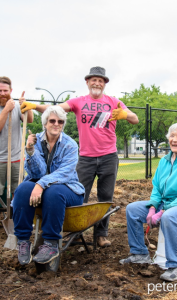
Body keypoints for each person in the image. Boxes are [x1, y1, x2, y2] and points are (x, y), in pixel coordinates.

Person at [21, 66, 139, 247]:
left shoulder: (114, 101)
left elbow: (135, 119)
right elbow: (55, 110)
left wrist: (125, 114)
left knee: (105, 196)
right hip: (85, 158)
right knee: (78, 194)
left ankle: (101, 235)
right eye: (94, 80)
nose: (97, 83)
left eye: (101, 80)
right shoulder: (78, 102)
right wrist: (35, 106)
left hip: (109, 156)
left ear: (105, 83)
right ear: (88, 82)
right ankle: (76, 230)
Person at [120, 122, 177, 282]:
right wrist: (153, 207)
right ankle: (139, 253)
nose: (174, 139)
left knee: (169, 217)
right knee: (132, 209)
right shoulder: (164, 161)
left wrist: (163, 212)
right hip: (166, 205)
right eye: (172, 136)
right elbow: (157, 188)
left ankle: (175, 266)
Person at [12, 106, 85, 265]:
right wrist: (30, 150)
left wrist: (40, 185)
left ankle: (51, 243)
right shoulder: (35, 140)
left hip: (69, 190)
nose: (56, 124)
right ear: (45, 123)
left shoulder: (70, 145)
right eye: (52, 121)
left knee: (54, 191)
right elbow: (37, 172)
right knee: (23, 189)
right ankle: (23, 241)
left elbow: (65, 174)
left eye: (60, 121)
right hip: (43, 188)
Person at [0, 76, 33, 239]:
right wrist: (6, 110)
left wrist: (26, 106)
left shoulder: (17, 107)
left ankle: (18, 222)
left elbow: (29, 120)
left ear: (11, 91)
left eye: (5, 90)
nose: (3, 93)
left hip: (16, 158)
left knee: (19, 193)